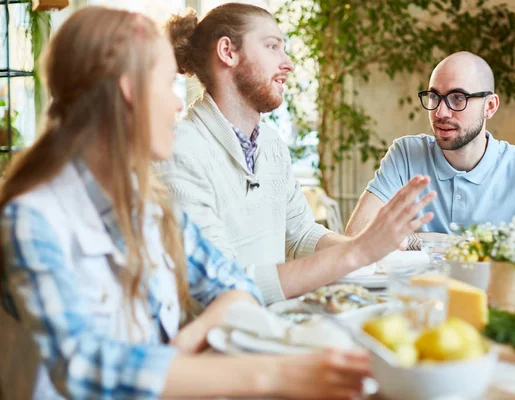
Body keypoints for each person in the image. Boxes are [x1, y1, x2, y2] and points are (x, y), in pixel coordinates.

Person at [0, 7, 427, 399]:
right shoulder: (30, 219)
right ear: (129, 91)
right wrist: (275, 374)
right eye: (167, 85)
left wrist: (177, 350)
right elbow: (82, 365)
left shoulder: (145, 207)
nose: (178, 102)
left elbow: (235, 288)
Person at [157, 4, 436, 304]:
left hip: (274, 327)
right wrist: (358, 252)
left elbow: (301, 234)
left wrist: (372, 249)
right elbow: (223, 284)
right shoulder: (179, 152)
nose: (288, 63)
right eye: (272, 46)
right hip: (222, 345)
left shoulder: (272, 145)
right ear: (228, 51)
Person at [346, 51, 515, 248]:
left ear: (490, 106)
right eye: (435, 96)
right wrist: (443, 243)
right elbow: (356, 234)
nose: (441, 113)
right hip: (420, 296)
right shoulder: (406, 155)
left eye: (458, 98)